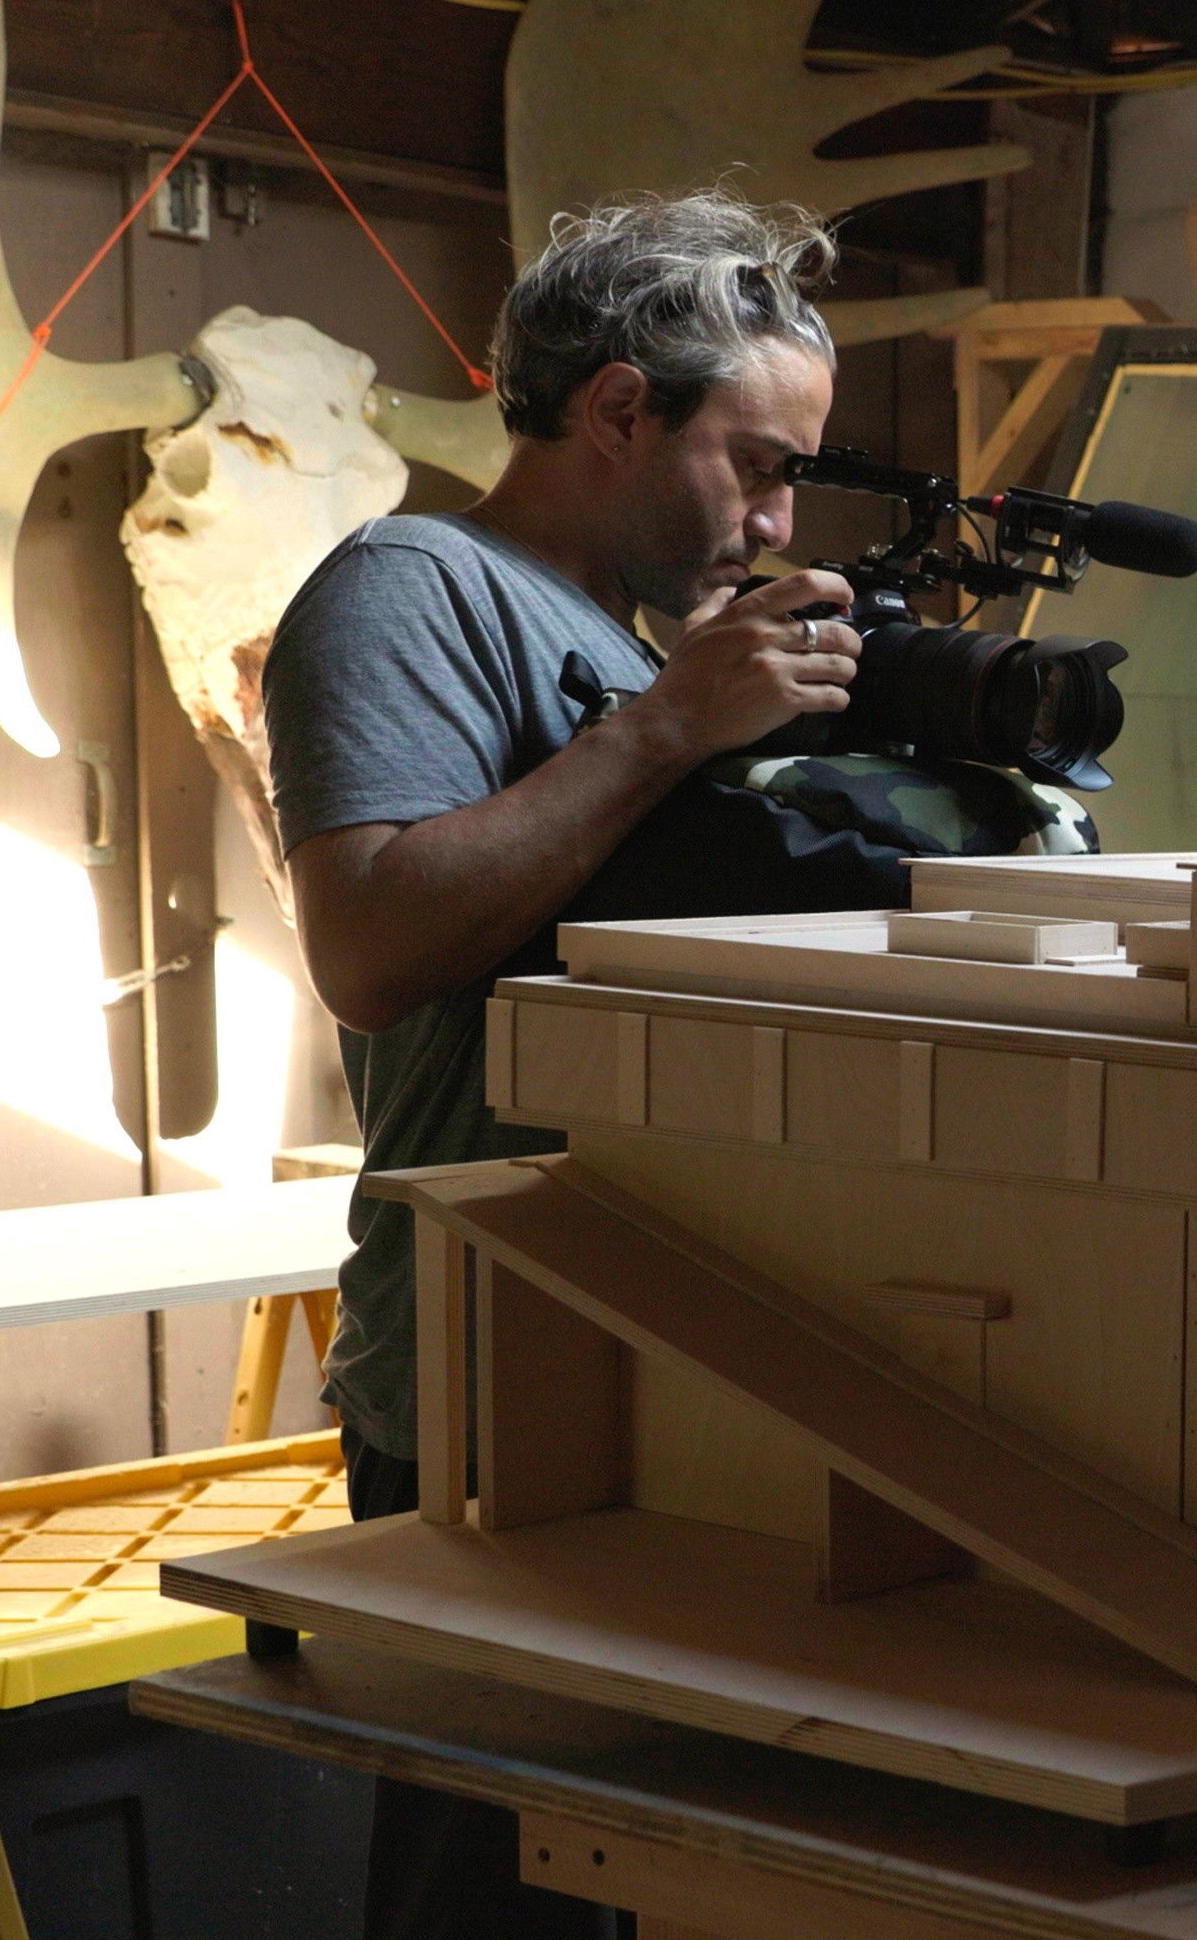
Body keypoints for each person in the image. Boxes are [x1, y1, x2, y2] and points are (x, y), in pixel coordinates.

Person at [264, 189, 894, 1937]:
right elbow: (371, 949)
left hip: (652, 1371)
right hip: (485, 1371)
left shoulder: (631, 641)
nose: (777, 521)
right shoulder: (412, 588)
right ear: (620, 407)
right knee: (496, 1902)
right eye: (757, 467)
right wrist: (671, 726)